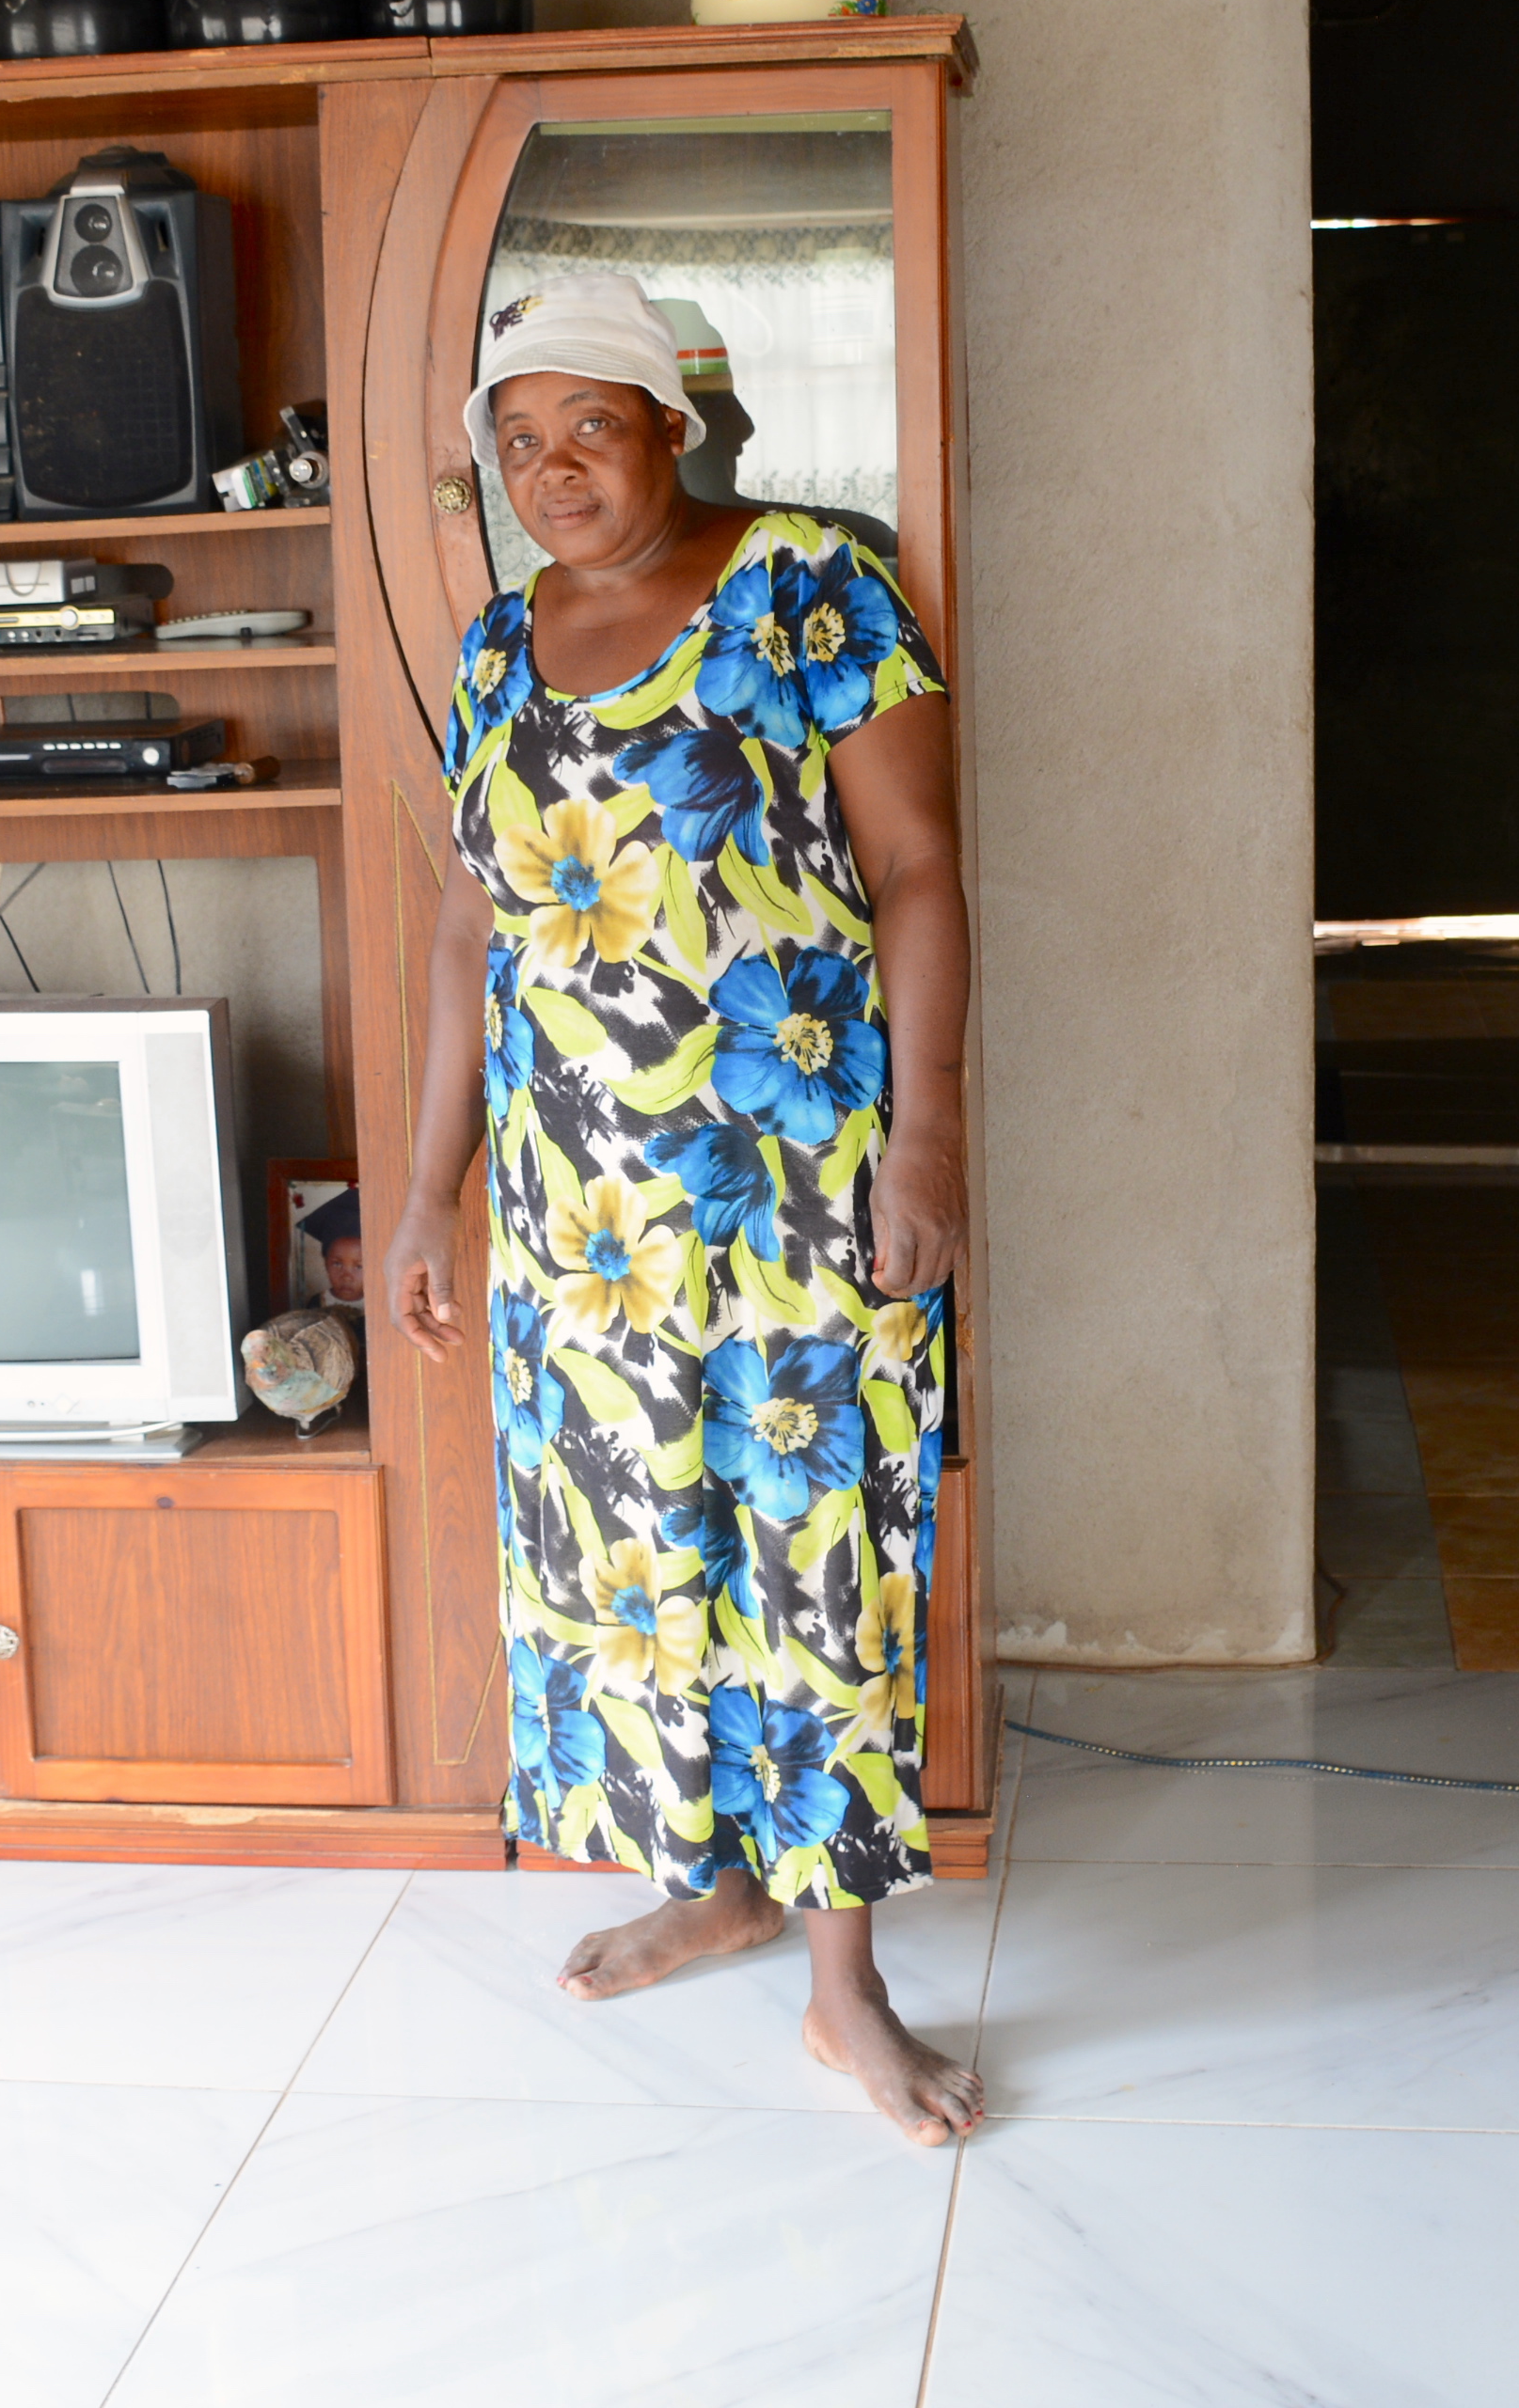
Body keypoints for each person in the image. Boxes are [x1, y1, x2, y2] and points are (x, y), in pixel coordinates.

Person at [378, 270, 979, 2146]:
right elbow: (475, 928)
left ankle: (842, 1988)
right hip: (578, 1221)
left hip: (793, 1186)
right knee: (632, 1568)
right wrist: (423, 1198)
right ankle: (707, 1880)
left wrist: (931, 1139)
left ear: (675, 428)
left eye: (594, 429)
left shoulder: (812, 585)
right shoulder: (495, 647)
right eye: (520, 438)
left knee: (821, 1558)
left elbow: (917, 866)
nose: (555, 471)